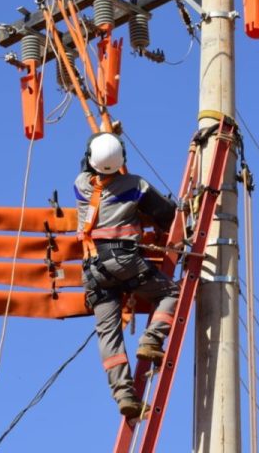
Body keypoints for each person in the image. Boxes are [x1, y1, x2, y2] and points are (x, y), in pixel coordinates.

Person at [74, 132, 180, 418]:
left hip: (93, 269)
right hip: (123, 260)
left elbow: (96, 182)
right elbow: (167, 214)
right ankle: (151, 340)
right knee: (171, 293)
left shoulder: (80, 185)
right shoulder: (135, 185)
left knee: (108, 333)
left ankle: (123, 395)